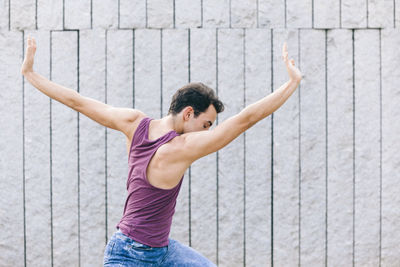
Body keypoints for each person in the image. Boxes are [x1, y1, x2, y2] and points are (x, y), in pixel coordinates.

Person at [21, 35, 302, 266]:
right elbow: (245, 120)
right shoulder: (179, 147)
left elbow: (78, 102)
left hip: (161, 251)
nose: (207, 133)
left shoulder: (133, 122)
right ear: (188, 113)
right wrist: (291, 84)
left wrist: (31, 73)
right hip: (129, 257)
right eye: (205, 124)